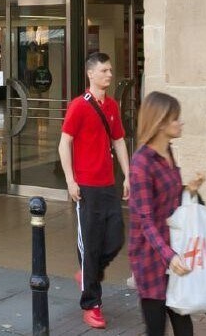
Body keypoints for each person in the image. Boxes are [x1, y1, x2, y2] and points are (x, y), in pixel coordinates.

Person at [59, 52, 130, 331]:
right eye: (104, 71)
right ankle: (91, 305)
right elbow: (64, 143)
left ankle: (89, 273)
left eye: (110, 70)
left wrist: (127, 175)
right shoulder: (78, 106)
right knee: (90, 245)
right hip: (86, 188)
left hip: (108, 185)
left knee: (115, 238)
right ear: (91, 74)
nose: (109, 75)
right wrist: (70, 180)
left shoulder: (111, 105)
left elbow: (119, 140)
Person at [129, 93, 206, 336]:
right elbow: (145, 219)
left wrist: (189, 189)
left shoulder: (168, 153)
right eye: (176, 118)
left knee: (184, 326)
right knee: (155, 329)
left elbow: (169, 199)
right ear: (161, 122)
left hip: (173, 250)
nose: (180, 123)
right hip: (151, 258)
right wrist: (169, 257)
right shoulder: (141, 163)